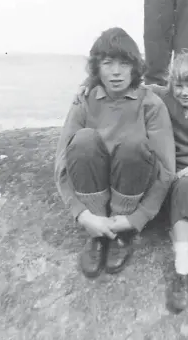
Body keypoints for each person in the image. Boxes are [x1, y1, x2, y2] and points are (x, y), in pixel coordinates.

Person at [76, 52, 188, 308]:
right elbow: (127, 82)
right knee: (183, 184)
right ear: (171, 84)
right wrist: (92, 83)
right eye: (179, 85)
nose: (185, 92)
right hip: (179, 176)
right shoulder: (163, 96)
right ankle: (182, 271)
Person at [55, 27, 175, 279]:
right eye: (108, 63)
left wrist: (136, 219)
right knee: (84, 139)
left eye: (124, 63)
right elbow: (62, 165)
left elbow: (166, 169)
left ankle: (120, 234)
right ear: (97, 68)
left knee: (133, 142)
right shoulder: (84, 101)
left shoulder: (151, 104)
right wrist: (84, 215)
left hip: (131, 197)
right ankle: (98, 234)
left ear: (135, 67)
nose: (117, 72)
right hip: (93, 201)